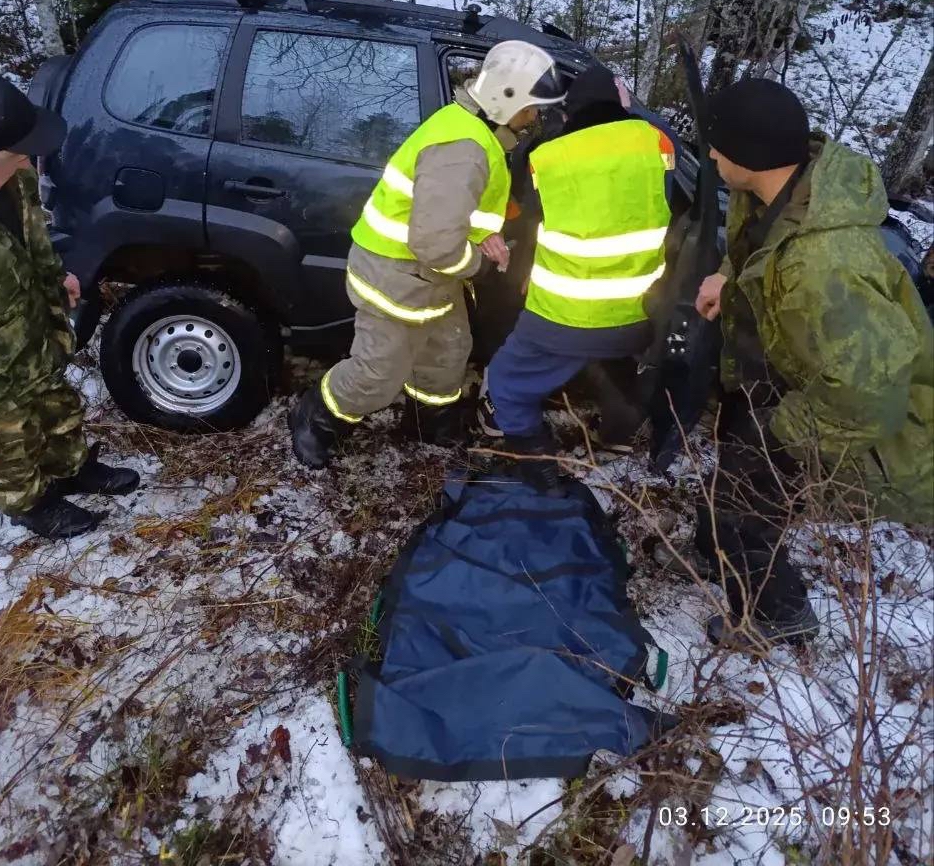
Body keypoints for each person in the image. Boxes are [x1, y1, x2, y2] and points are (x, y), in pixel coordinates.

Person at [694, 77, 933, 647]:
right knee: (730, 483)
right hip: (787, 377)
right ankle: (714, 553)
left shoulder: (826, 265)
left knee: (746, 503)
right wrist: (729, 282)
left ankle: (776, 614)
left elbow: (869, 396)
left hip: (824, 404)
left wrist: (783, 431)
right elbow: (760, 258)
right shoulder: (780, 194)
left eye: (717, 147)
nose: (708, 156)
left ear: (749, 156)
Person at [289, 40, 567, 469]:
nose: (534, 118)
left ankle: (428, 421)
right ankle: (316, 418)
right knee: (378, 375)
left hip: (430, 275)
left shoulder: (474, 131)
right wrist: (479, 266)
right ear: (505, 100)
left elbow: (456, 215)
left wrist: (484, 236)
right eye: (531, 108)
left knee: (448, 352)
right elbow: (435, 241)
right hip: (395, 275)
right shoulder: (465, 150)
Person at [0, 72, 139, 539]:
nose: (29, 160)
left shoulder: (10, 177)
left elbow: (34, 236)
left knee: (58, 407)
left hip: (33, 334)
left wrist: (54, 278)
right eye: (17, 153)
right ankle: (31, 504)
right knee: (8, 445)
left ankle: (71, 468)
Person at [481, 62, 675, 468]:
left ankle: (528, 446)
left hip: (564, 315)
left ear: (569, 114)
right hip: (638, 315)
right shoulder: (656, 142)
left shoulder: (547, 157)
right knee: (618, 362)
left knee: (505, 379)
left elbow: (523, 220)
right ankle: (618, 434)